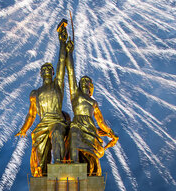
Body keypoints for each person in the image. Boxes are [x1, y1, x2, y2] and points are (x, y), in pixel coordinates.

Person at [16, 22, 71, 177]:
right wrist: (24, 128)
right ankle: (43, 171)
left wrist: (62, 41)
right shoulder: (35, 93)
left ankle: (59, 164)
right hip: (42, 124)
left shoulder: (57, 84)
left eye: (49, 69)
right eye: (44, 69)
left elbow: (61, 62)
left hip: (56, 121)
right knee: (40, 150)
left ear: (53, 73)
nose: (47, 70)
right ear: (40, 74)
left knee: (57, 135)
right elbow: (31, 114)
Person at [65, 38, 118, 176]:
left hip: (90, 127)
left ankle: (90, 172)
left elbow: (100, 121)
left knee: (90, 154)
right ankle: (74, 167)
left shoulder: (93, 102)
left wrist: (111, 132)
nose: (84, 82)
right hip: (77, 123)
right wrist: (69, 52)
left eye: (87, 81)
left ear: (90, 87)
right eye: (82, 81)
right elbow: (71, 72)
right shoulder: (75, 95)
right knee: (74, 135)